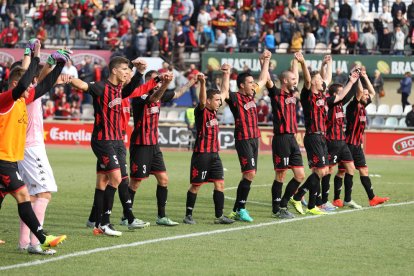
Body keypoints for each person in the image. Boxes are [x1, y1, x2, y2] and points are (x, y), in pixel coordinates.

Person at [69, 57, 155, 236]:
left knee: (104, 181)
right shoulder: (101, 87)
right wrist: (69, 78)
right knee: (117, 179)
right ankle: (106, 222)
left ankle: (97, 221)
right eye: (124, 69)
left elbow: (134, 87)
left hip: (118, 142)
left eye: (128, 69)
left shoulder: (120, 90)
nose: (126, 72)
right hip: (103, 141)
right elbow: (83, 86)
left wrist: (140, 72)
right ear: (114, 71)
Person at [0, 40, 67, 253]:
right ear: (14, 85)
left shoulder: (21, 100)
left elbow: (45, 85)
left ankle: (31, 241)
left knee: (14, 197)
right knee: (23, 196)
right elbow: (25, 83)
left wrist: (60, 65)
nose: (31, 88)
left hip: (11, 158)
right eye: (28, 85)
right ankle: (41, 238)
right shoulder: (5, 100)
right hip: (3, 159)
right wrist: (35, 57)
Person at [290, 53, 356, 215]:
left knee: (323, 171)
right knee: (321, 171)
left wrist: (351, 81)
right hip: (313, 136)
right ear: (313, 82)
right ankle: (298, 196)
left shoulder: (323, 98)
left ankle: (312, 205)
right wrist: (304, 64)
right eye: (319, 79)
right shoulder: (307, 95)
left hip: (321, 137)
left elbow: (340, 95)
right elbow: (306, 80)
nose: (323, 81)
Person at [128, 71, 196, 226]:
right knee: (135, 183)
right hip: (140, 144)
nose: (157, 84)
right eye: (155, 81)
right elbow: (154, 98)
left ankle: (161, 216)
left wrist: (192, 82)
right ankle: (127, 216)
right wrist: (165, 83)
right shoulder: (140, 96)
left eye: (159, 82)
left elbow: (178, 93)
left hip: (153, 145)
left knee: (163, 180)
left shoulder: (160, 93)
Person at [183, 66, 235, 225]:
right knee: (196, 186)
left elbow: (225, 91)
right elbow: (201, 100)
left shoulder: (214, 112)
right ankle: (188, 215)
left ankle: (219, 216)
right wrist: (203, 83)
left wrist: (226, 74)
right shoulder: (202, 111)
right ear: (209, 101)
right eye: (217, 100)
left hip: (214, 154)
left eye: (220, 100)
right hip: (202, 154)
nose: (220, 102)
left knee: (220, 184)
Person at [226, 50, 271, 222]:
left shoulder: (252, 94)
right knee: (250, 174)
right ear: (241, 85)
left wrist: (266, 60)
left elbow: (263, 79)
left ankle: (236, 209)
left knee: (249, 175)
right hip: (243, 138)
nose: (253, 85)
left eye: (253, 83)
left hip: (254, 138)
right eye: (250, 83)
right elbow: (223, 92)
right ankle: (242, 208)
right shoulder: (235, 98)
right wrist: (226, 74)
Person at [335, 69, 390, 207]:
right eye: (364, 94)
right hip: (347, 144)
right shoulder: (353, 106)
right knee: (342, 171)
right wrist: (357, 77)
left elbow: (372, 92)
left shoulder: (363, 106)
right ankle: (338, 199)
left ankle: (372, 198)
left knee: (363, 170)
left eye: (366, 95)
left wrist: (365, 76)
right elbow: (360, 92)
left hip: (357, 145)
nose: (367, 96)